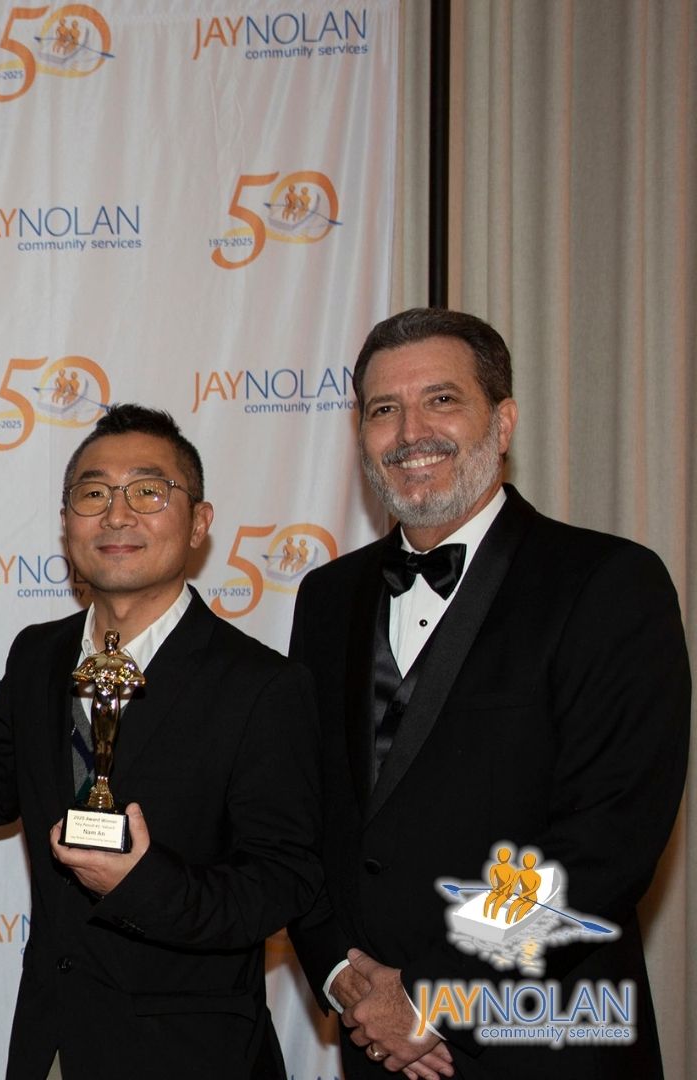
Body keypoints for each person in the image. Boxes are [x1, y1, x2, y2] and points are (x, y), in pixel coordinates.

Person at [288, 307, 690, 1079]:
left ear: (501, 423)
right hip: (374, 1043)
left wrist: (436, 997)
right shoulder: (327, 597)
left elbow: (605, 842)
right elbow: (306, 815)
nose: (410, 433)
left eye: (441, 400)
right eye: (383, 410)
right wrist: (343, 975)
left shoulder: (608, 584)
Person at [0, 404, 321, 1080]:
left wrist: (143, 885)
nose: (117, 515)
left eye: (148, 491)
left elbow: (280, 883)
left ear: (199, 523)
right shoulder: (39, 655)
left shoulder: (262, 685)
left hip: (189, 1056)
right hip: (51, 1042)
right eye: (92, 493)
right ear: (66, 522)